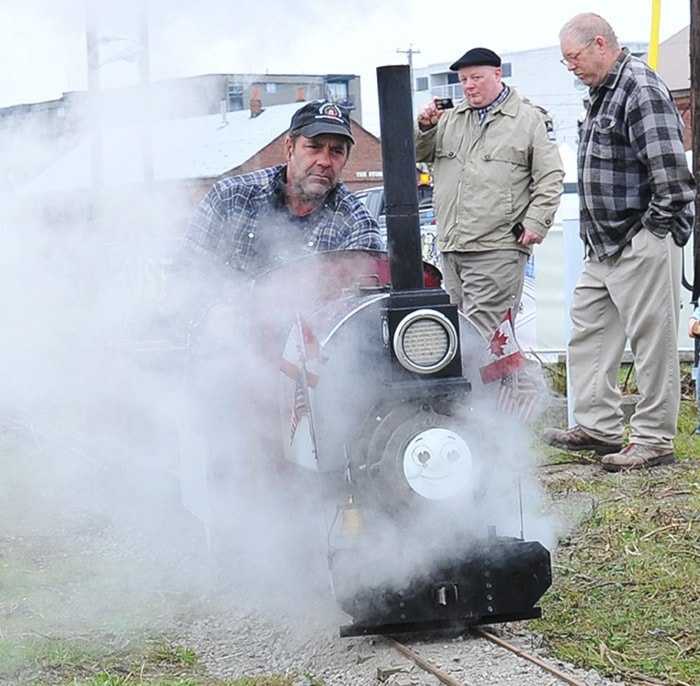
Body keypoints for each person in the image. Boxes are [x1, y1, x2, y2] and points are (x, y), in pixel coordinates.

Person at [542, 13, 695, 471]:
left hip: (640, 237)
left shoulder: (640, 89)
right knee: (588, 330)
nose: (571, 68)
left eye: (574, 58)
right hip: (604, 244)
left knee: (653, 344)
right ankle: (598, 427)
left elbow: (673, 175)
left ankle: (654, 440)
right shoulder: (602, 91)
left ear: (600, 44)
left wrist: (653, 230)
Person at [169, 99, 384, 336]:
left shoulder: (357, 224)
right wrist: (211, 312)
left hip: (314, 362)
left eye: (336, 151)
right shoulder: (230, 197)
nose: (324, 161)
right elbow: (184, 275)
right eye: (314, 147)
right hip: (224, 354)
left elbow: (362, 316)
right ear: (289, 148)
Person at [414, 47, 564, 339]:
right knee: (458, 336)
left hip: (497, 247)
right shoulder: (450, 117)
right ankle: (509, 385)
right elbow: (420, 154)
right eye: (463, 79)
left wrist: (537, 221)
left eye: (476, 77)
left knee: (484, 339)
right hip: (452, 246)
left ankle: (502, 386)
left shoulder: (529, 119)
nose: (469, 85)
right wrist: (424, 127)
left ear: (498, 75)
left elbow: (550, 175)